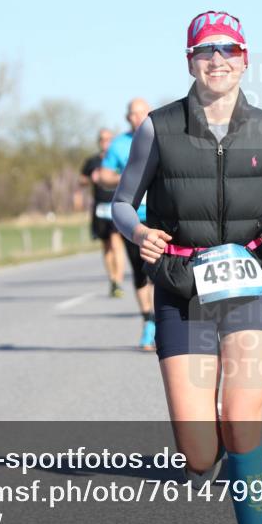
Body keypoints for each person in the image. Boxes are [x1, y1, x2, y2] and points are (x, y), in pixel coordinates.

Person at [111, 10, 262, 524]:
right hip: (182, 288)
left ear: (245, 60)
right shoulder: (157, 127)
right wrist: (140, 233)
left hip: (248, 284)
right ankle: (209, 454)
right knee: (199, 453)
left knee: (243, 418)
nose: (218, 60)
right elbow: (122, 202)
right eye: (206, 51)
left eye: (229, 50)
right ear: (190, 62)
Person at [99, 99, 155, 350]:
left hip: (160, 214)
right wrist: (129, 177)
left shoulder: (161, 136)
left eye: (142, 113)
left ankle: (163, 321)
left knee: (163, 271)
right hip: (132, 216)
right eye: (133, 114)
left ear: (150, 114)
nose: (138, 117)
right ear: (128, 118)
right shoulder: (119, 144)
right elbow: (104, 176)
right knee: (140, 272)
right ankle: (148, 322)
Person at [80, 128, 126, 298]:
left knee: (116, 242)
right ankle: (112, 279)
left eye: (108, 139)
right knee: (106, 244)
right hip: (99, 207)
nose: (105, 142)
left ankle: (119, 280)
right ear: (98, 141)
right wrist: (89, 178)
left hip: (117, 204)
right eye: (102, 139)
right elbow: (81, 180)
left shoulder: (117, 158)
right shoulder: (92, 161)